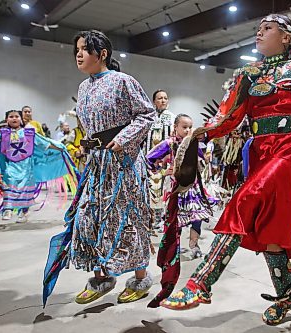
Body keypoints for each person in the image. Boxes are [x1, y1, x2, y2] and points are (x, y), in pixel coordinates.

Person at [153, 14, 291, 326]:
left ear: (286, 37)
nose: (259, 32)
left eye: (267, 28)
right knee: (271, 233)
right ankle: (286, 296)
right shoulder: (247, 73)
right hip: (258, 152)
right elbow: (228, 116)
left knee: (244, 201)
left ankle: (200, 283)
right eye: (258, 28)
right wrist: (201, 133)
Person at [61, 30, 155, 304]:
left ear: (102, 54)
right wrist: (84, 146)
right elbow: (88, 127)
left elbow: (146, 115)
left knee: (126, 220)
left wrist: (123, 139)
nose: (78, 54)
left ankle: (140, 278)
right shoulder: (83, 87)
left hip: (123, 164)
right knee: (90, 219)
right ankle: (102, 278)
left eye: (84, 49)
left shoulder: (123, 82)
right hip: (96, 165)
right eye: (76, 49)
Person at [147, 113, 217, 258]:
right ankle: (174, 247)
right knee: (175, 218)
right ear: (175, 127)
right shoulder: (169, 143)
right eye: (184, 127)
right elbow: (149, 158)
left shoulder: (193, 143)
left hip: (194, 185)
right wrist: (162, 171)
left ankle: (194, 243)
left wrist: (205, 160)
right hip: (176, 186)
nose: (187, 130)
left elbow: (201, 160)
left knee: (197, 216)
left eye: (190, 127)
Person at [0, 110, 77, 222]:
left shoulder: (28, 133)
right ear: (7, 120)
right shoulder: (2, 134)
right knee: (10, 183)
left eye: (16, 116)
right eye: (11, 117)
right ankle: (8, 208)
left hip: (27, 167)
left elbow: (43, 142)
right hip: (10, 166)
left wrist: (59, 148)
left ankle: (24, 212)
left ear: (21, 119)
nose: (14, 118)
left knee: (25, 188)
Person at [146, 90, 176, 228]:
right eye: (159, 98)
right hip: (150, 160)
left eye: (165, 98)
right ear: (154, 102)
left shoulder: (173, 118)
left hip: (166, 161)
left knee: (165, 187)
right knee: (151, 188)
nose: (163, 100)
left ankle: (164, 218)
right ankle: (152, 218)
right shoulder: (148, 118)